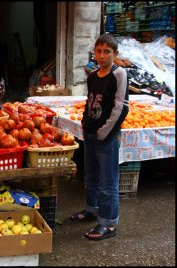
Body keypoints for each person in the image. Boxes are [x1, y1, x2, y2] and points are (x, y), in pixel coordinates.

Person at [70, 33, 129, 241]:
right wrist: (86, 125)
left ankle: (108, 224)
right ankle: (92, 210)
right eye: (98, 51)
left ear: (115, 54)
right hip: (90, 133)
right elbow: (89, 102)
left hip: (107, 136)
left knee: (108, 182)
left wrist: (104, 131)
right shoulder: (93, 75)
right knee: (91, 176)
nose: (102, 55)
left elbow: (121, 107)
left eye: (107, 52)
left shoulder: (119, 74)